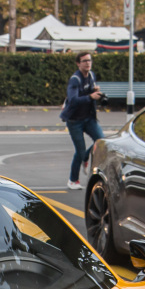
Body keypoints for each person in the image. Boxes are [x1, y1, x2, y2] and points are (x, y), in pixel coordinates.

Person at [60, 52, 104, 190]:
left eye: (89, 60)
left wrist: (94, 90)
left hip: (89, 118)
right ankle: (73, 180)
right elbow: (73, 100)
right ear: (78, 63)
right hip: (75, 121)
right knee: (79, 151)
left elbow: (88, 92)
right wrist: (91, 96)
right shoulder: (75, 79)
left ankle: (86, 157)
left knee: (101, 141)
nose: (88, 63)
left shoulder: (91, 75)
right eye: (84, 61)